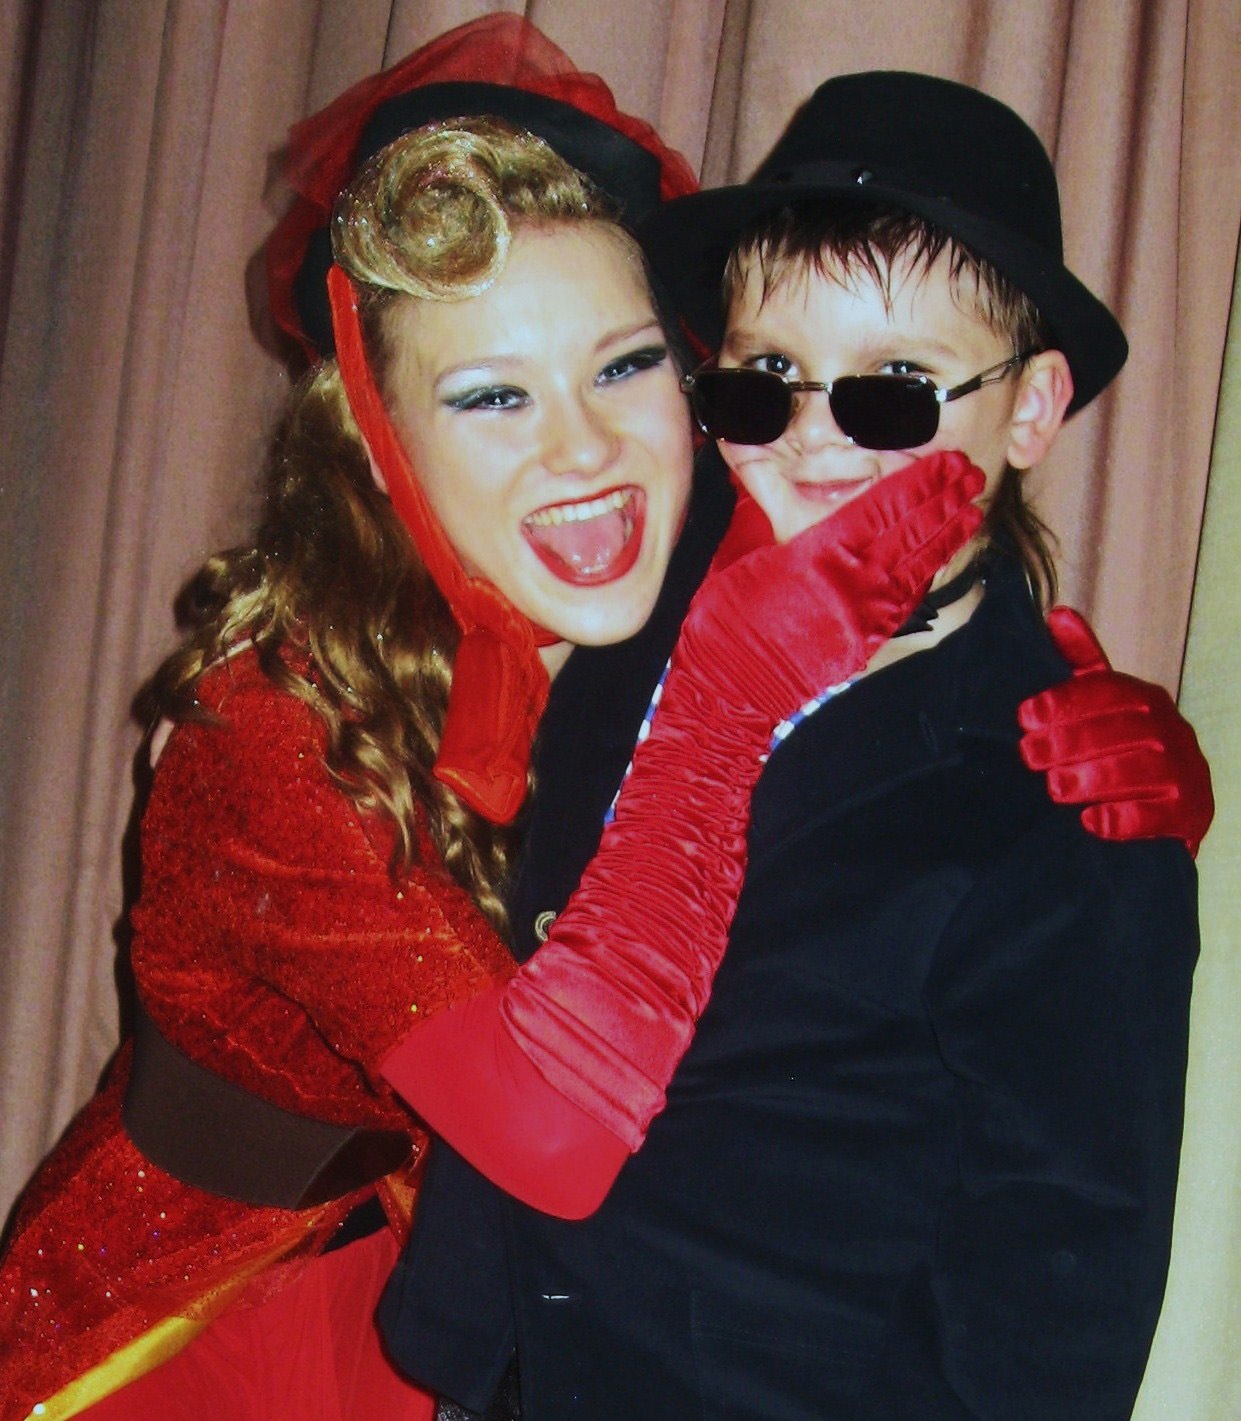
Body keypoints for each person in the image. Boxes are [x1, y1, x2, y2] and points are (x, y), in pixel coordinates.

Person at [0, 18, 1207, 1419]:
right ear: (379, 432)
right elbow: (555, 1122)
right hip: (262, 1315)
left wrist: (1125, 763)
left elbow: (1051, 1296)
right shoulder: (302, 719)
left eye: (625, 367)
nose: (581, 449)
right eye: (490, 394)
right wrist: (736, 691)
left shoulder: (713, 550)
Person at [378, 70, 1205, 1419]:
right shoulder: (651, 561)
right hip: (499, 1359)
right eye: (768, 380)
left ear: (1031, 407)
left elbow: (1056, 1294)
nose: (816, 440)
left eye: (894, 391)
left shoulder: (1064, 796)